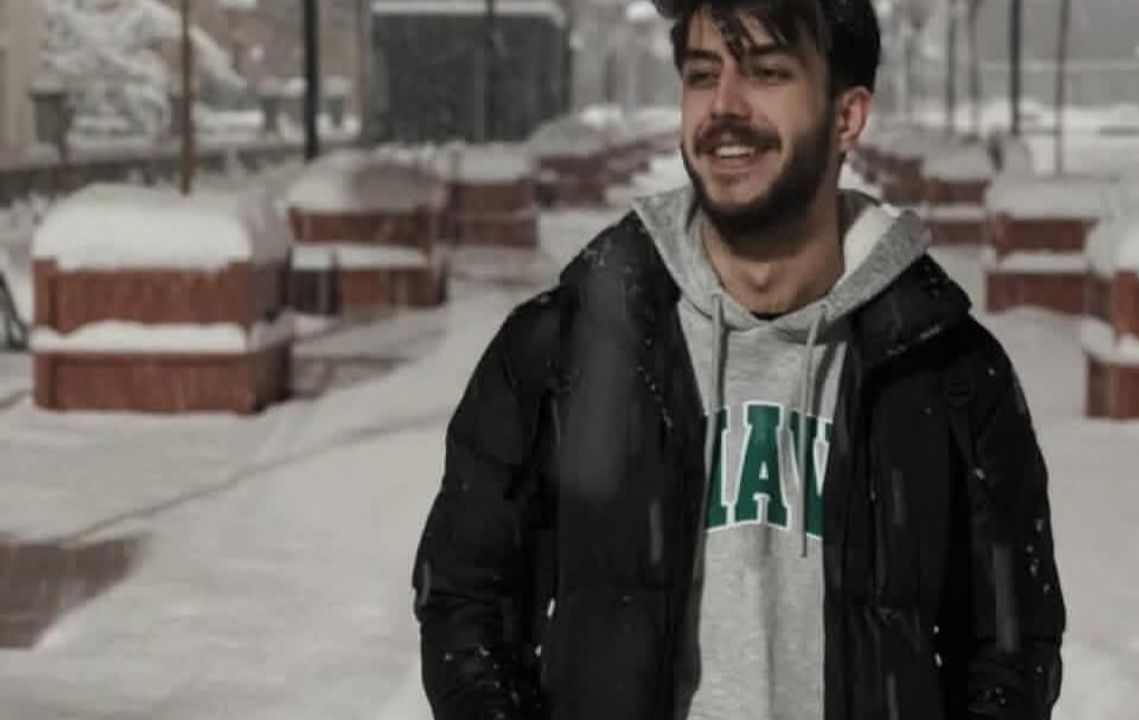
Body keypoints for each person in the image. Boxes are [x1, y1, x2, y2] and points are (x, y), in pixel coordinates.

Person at [411, 1, 1066, 718]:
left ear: (847, 116)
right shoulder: (560, 352)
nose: (723, 105)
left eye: (766, 72)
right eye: (702, 75)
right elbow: (465, 605)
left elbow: (1011, 648)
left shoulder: (950, 373)